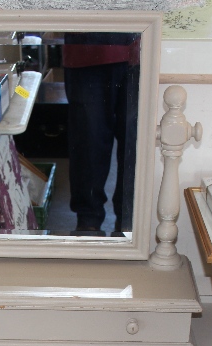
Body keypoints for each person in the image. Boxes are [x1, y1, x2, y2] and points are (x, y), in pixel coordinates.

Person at [61, 32, 140, 236]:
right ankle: (88, 222)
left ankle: (127, 222)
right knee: (88, 141)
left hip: (141, 49)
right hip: (85, 48)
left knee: (135, 144)